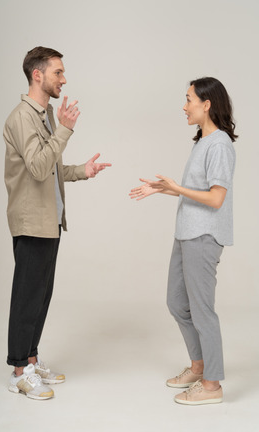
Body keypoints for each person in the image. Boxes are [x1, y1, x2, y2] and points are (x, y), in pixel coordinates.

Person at [4, 46, 111, 400]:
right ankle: (20, 371)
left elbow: (51, 168)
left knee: (41, 295)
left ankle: (31, 360)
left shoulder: (45, 114)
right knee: (27, 296)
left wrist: (83, 171)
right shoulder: (22, 116)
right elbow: (37, 167)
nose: (63, 79)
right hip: (31, 221)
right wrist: (64, 130)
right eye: (58, 73)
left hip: (50, 221)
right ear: (38, 75)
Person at [130, 77, 237, 405]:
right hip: (187, 234)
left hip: (204, 237)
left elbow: (216, 198)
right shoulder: (202, 143)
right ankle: (199, 365)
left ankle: (212, 385)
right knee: (177, 303)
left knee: (203, 311)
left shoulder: (219, 144)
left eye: (189, 99)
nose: (184, 105)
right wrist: (166, 189)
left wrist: (177, 188)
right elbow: (198, 191)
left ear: (207, 104)